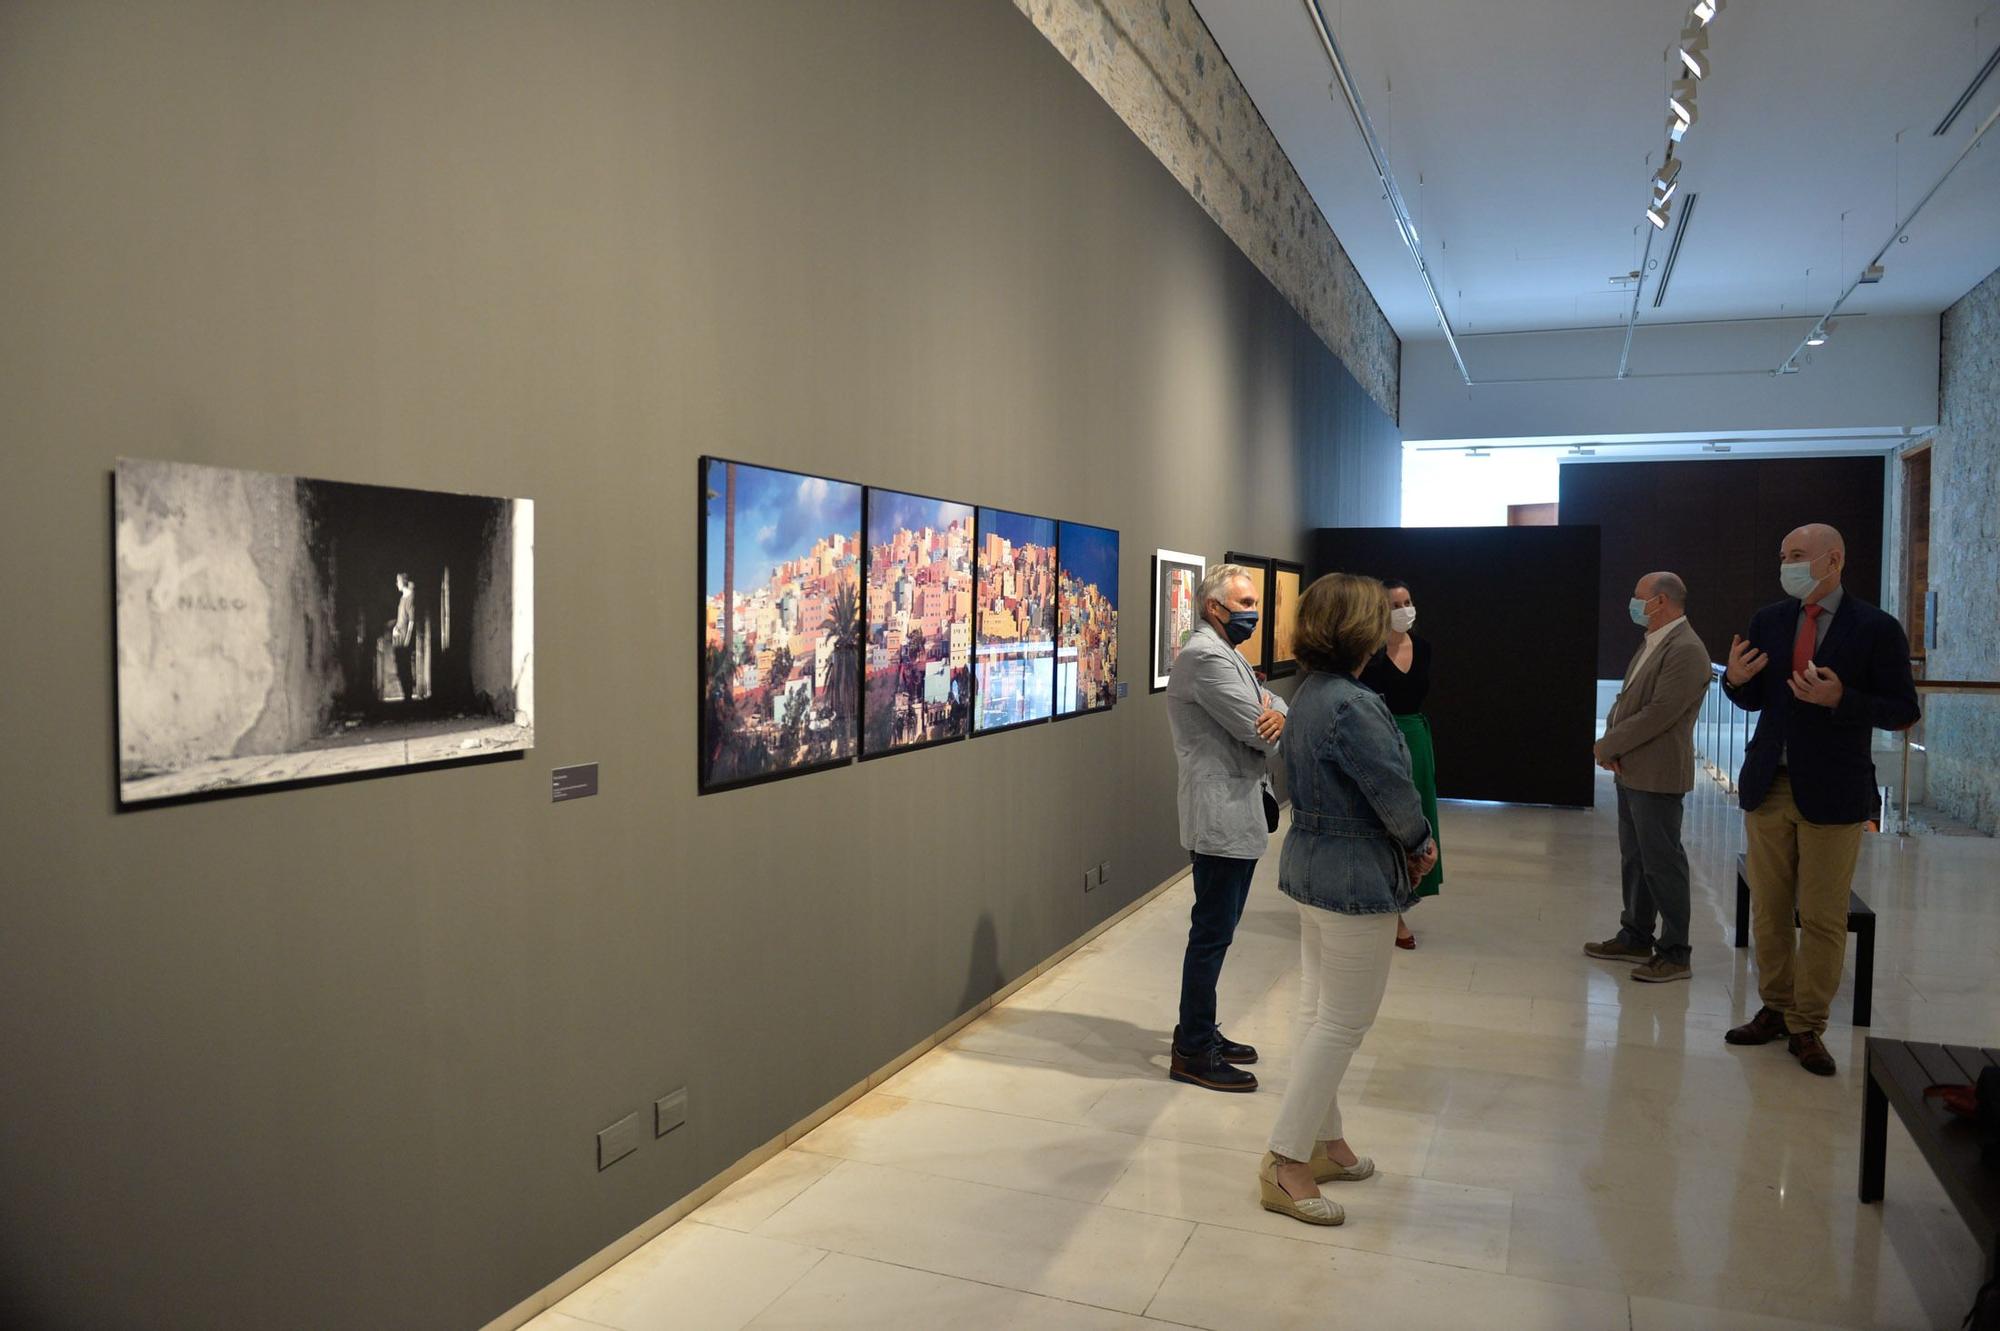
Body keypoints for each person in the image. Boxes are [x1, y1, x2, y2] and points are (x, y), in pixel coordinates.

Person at [1258, 573, 1436, 1226]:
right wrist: (1420, 841)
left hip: (1311, 868)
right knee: (1341, 1022)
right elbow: (1392, 790)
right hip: (1354, 878)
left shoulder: (1310, 693)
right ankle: (1285, 1158)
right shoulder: (1355, 703)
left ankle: (1325, 1142)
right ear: (1361, 630)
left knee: (1317, 1012)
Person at [1721, 524, 1918, 1076]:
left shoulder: (1875, 628)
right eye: (1783, 555)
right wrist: (1734, 682)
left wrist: (1842, 698)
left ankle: (1808, 1026)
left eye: (1799, 556)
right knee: (1768, 909)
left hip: (1834, 790)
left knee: (1824, 916)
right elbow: (1753, 697)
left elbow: (1902, 710)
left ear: (1833, 560)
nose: (1787, 564)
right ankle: (1775, 1009)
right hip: (1769, 785)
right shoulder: (1770, 619)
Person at [1166, 563, 1288, 1093]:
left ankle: (1199, 1030)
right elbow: (1257, 730)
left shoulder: (1226, 654)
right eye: (1243, 604)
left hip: (1236, 810)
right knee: (1211, 935)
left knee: (1219, 931)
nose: (1253, 613)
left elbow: (1271, 703)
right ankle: (1193, 1049)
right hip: (1219, 817)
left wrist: (1276, 711)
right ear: (1213, 608)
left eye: (1254, 602)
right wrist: (1273, 718)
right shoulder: (1204, 657)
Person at [1583, 572, 1711, 983]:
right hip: (1632, 768)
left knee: (1662, 862)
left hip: (1658, 773)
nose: (1632, 604)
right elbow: (1632, 701)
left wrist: (1608, 745)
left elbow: (1659, 712)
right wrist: (1616, 748)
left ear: (1660, 601)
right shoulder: (1654, 642)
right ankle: (1636, 934)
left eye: (1638, 597)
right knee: (1636, 858)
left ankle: (1675, 952)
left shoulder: (1687, 649)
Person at [1358, 579, 1439, 948]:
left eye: (1408, 601)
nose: (1404, 609)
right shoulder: (1369, 652)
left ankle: (1401, 898)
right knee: (1382, 820)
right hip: (1378, 737)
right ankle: (1389, 909)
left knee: (1415, 821)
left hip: (1416, 739)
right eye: (1395, 604)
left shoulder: (1422, 648)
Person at [390, 572, 418, 703]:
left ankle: (408, 695)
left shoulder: (410, 598)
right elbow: (401, 619)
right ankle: (406, 694)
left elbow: (411, 621)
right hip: (398, 637)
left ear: (403, 582)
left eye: (398, 581)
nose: (396, 584)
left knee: (405, 666)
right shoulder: (402, 599)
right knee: (400, 665)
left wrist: (407, 639)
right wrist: (396, 627)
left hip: (405, 638)